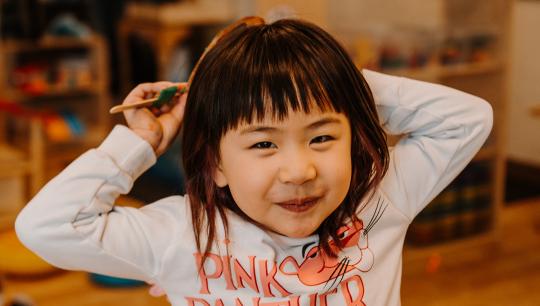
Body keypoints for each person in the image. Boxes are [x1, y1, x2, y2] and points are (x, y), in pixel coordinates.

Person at [15, 16, 492, 305]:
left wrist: (338, 83)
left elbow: (469, 118)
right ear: (216, 162)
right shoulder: (182, 236)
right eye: (264, 144)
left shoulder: (380, 202)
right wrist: (140, 141)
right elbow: (47, 227)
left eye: (322, 136)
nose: (299, 170)